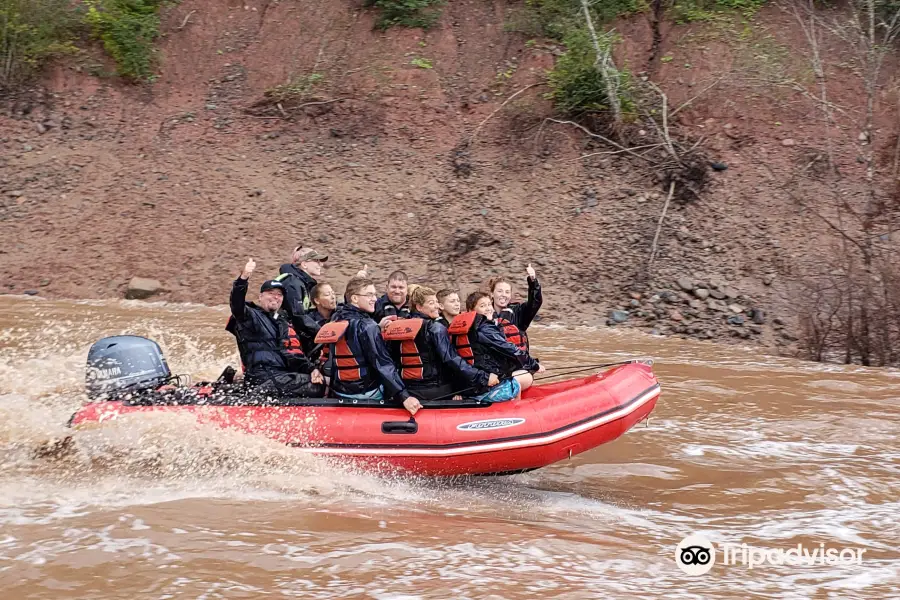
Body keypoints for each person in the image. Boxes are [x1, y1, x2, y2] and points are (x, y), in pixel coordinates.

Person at [319, 277, 422, 415]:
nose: (375, 299)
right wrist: (404, 396)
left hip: (340, 390)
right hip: (366, 393)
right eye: (369, 295)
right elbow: (382, 364)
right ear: (355, 298)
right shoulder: (368, 326)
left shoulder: (335, 319)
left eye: (375, 294)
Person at [227, 258, 324, 397]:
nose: (275, 297)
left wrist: (312, 369)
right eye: (270, 293)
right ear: (260, 297)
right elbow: (236, 303)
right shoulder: (250, 316)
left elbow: (290, 355)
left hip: (279, 377)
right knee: (321, 386)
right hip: (263, 378)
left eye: (279, 295)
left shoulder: (281, 322)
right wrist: (243, 278)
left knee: (316, 377)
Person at [384, 286, 499, 401]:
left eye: (436, 302)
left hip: (409, 390)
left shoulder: (397, 327)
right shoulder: (435, 328)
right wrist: (483, 377)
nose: (437, 306)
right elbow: (451, 358)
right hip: (436, 391)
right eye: (431, 303)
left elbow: (390, 363)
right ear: (419, 307)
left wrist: (401, 394)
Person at [449, 291, 543, 399]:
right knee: (522, 378)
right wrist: (534, 364)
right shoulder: (484, 328)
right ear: (471, 310)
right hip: (484, 388)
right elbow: (510, 349)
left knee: (516, 373)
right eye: (482, 306)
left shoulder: (458, 329)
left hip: (467, 387)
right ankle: (516, 409)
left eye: (489, 304)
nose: (488, 308)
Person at [488, 264, 542, 351]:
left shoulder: (519, 312)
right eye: (500, 291)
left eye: (507, 292)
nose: (503, 295)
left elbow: (535, 302)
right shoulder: (484, 314)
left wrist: (533, 281)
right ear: (492, 294)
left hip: (516, 362)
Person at [279, 246, 328, 319]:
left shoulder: (304, 283)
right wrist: (320, 330)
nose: (321, 264)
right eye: (316, 261)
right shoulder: (293, 284)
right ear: (304, 264)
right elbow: (298, 318)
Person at [295, 282, 337, 360]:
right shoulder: (307, 321)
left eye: (333, 293)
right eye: (327, 295)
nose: (333, 297)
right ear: (317, 300)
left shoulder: (340, 315)